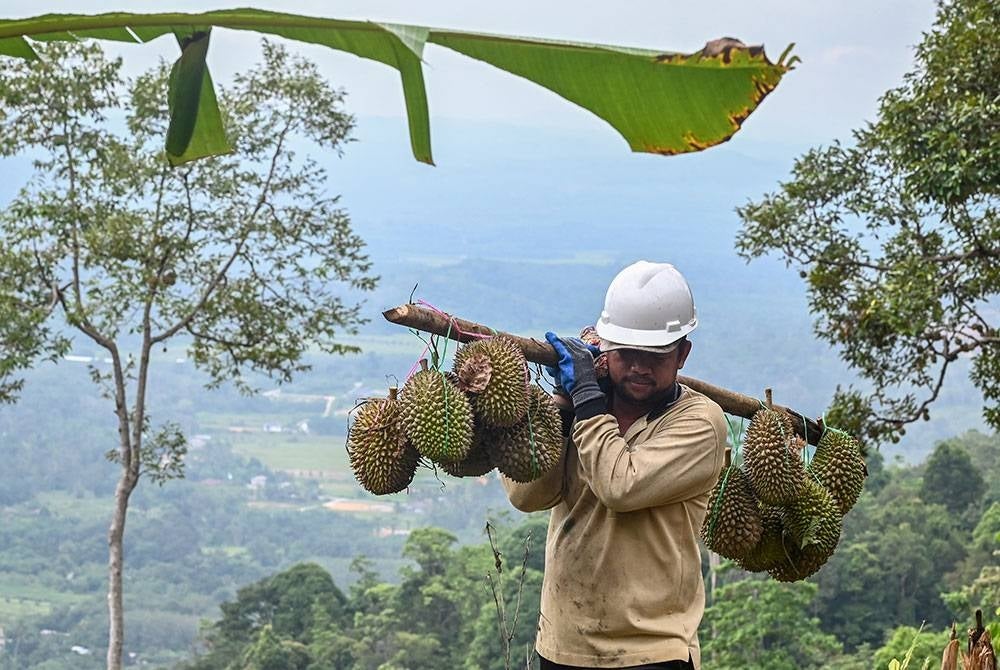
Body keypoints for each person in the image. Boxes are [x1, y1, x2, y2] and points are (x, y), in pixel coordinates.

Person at [502, 261, 727, 670]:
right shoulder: (585, 411)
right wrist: (562, 408)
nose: (640, 366)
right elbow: (526, 495)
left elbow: (620, 487)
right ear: (605, 350)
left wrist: (586, 399)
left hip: (653, 649)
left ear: (682, 355)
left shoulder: (701, 424)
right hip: (562, 643)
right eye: (627, 353)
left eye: (655, 355)